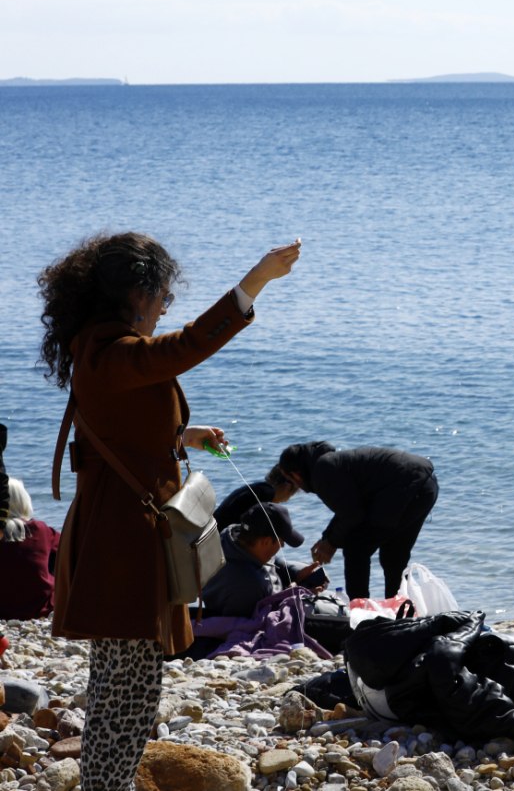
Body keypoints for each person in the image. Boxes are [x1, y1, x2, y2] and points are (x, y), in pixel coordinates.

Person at [40, 232, 300, 790]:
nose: (164, 308)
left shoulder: (101, 349)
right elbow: (184, 347)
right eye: (162, 296)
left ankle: (105, 785)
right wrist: (255, 282)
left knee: (120, 686)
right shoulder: (114, 352)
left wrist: (183, 437)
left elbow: (120, 432)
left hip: (121, 535)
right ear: (136, 294)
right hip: (123, 545)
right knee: (128, 694)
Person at [277, 441, 439, 600]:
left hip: (405, 485)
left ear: (295, 474)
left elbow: (353, 514)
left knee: (356, 548)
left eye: (289, 480)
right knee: (394, 555)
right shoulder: (329, 463)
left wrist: (331, 543)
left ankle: (360, 609)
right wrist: (327, 538)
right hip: (426, 484)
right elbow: (348, 508)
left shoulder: (322, 471)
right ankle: (400, 609)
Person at [202, 502, 326, 618]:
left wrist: (295, 575)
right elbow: (264, 624)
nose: (282, 546)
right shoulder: (249, 584)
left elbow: (271, 562)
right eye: (281, 541)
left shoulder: (232, 540)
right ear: (265, 542)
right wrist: (295, 597)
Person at [0, 477, 60, 620]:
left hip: (1, 608)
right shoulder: (39, 529)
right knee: (52, 554)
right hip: (38, 608)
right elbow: (66, 548)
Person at [214, 464, 299, 530]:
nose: (286, 500)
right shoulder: (266, 494)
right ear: (287, 485)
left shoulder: (259, 488)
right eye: (292, 493)